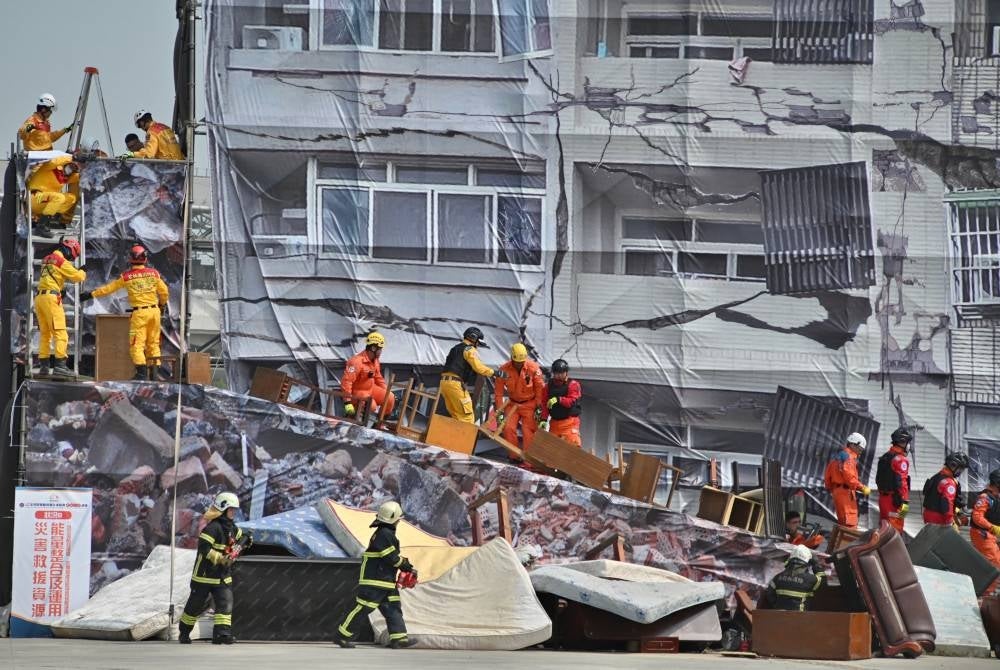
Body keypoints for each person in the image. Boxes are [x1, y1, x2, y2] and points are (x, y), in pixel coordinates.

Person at [80, 245, 169, 380]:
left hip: (139, 315)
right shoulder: (154, 274)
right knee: (153, 344)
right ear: (145, 259)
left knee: (137, 344)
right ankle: (154, 374)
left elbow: (109, 289)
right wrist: (161, 305)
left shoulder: (126, 277)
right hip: (155, 312)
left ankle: (141, 375)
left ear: (130, 259)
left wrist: (91, 294)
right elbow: (164, 292)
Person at [336, 501, 417, 649]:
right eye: (398, 519)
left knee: (393, 608)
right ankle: (342, 636)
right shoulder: (384, 534)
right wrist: (406, 566)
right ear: (394, 519)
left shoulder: (384, 534)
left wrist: (405, 566)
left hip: (385, 582)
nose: (399, 522)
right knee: (363, 608)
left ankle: (399, 639)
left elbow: (390, 557)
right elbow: (391, 557)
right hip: (375, 582)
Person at [178, 492, 249, 645]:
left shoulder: (232, 529)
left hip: (222, 576)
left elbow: (243, 537)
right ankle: (184, 632)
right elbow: (204, 548)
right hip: (204, 576)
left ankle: (221, 635)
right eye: (231, 509)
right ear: (223, 509)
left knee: (225, 603)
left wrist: (244, 542)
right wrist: (221, 558)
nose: (234, 513)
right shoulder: (212, 528)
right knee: (194, 606)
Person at [35, 238, 85, 377]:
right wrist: (82, 271)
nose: (71, 258)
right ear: (69, 249)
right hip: (51, 299)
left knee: (45, 333)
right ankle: (60, 366)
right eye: (72, 255)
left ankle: (44, 366)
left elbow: (52, 277)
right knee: (60, 333)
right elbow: (77, 277)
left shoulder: (46, 258)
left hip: (40, 298)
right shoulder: (61, 261)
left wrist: (60, 287)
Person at [493, 343, 545, 455]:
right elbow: (498, 393)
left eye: (521, 362)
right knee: (508, 428)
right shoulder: (503, 370)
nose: (519, 364)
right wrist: (499, 411)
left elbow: (540, 389)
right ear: (512, 358)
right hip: (513, 404)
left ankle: (528, 459)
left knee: (528, 431)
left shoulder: (534, 368)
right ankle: (514, 457)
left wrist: (538, 407)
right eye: (517, 362)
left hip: (529, 404)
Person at [440, 327, 496, 423]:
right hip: (456, 384)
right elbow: (479, 367)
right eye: (477, 342)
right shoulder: (469, 349)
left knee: (456, 415)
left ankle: (452, 438)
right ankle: (463, 438)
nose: (477, 345)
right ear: (473, 339)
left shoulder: (455, 348)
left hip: (444, 384)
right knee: (467, 417)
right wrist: (495, 373)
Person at [342, 332, 395, 421]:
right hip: (358, 392)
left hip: (370, 389)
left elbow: (378, 378)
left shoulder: (375, 361)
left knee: (389, 397)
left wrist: (386, 390)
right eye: (380, 349)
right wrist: (347, 402)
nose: (381, 352)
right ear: (373, 348)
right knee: (371, 406)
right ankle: (354, 417)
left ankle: (380, 422)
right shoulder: (356, 362)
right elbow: (347, 381)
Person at [823, 432, 870, 529]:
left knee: (842, 523)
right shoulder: (849, 458)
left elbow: (827, 477)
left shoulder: (837, 457)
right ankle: (848, 544)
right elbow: (849, 477)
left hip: (838, 492)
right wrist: (862, 488)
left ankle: (841, 543)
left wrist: (834, 489)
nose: (860, 451)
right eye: (860, 448)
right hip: (845, 493)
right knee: (850, 524)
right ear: (853, 444)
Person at [26, 154, 80, 236]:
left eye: (74, 168)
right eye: (71, 165)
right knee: (59, 197)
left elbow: (81, 176)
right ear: (67, 163)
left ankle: (53, 220)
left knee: (71, 198)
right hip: (34, 197)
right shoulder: (49, 168)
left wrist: (88, 163)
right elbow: (53, 162)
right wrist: (73, 157)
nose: (71, 169)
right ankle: (41, 226)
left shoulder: (67, 177)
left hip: (46, 201)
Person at [763, 545, 826, 612]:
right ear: (807, 561)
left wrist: (776, 606)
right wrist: (816, 564)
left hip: (779, 616)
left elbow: (769, 594)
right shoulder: (811, 579)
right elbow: (824, 582)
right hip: (799, 619)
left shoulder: (777, 577)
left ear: (790, 560)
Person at [876, 428, 912, 533]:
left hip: (883, 499)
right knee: (895, 529)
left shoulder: (885, 456)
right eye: (908, 442)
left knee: (883, 528)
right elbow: (902, 483)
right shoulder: (901, 459)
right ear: (903, 443)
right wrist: (905, 502)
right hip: (895, 501)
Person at [539, 359, 583, 448]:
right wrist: (543, 419)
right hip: (555, 422)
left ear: (566, 373)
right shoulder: (548, 386)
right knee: (551, 449)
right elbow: (544, 404)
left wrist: (559, 400)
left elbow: (571, 401)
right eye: (557, 373)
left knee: (573, 446)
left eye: (562, 373)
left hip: (569, 423)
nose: (559, 376)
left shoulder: (573, 385)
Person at [922, 452, 970, 526]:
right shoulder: (949, 483)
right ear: (953, 465)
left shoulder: (936, 476)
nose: (960, 472)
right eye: (961, 469)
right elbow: (947, 503)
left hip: (928, 513)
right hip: (939, 517)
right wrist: (949, 521)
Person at [971, 469, 1000, 569]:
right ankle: (989, 584)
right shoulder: (985, 497)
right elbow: (977, 517)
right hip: (982, 534)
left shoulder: (996, 497)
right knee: (995, 564)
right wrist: (992, 527)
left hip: (990, 534)